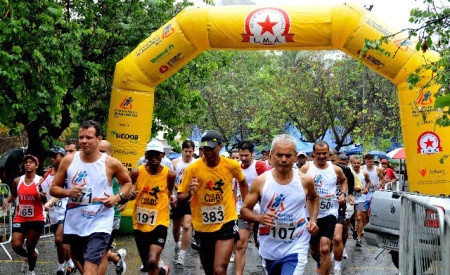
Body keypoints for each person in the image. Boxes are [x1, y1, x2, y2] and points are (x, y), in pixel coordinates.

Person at [50, 120, 132, 275]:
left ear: (99, 139)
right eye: (81, 137)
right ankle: (115, 258)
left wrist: (117, 197)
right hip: (75, 223)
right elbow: (54, 188)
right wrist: (69, 192)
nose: (83, 141)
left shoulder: (110, 163)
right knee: (79, 259)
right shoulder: (69, 160)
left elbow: (127, 182)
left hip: (100, 222)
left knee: (90, 269)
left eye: (88, 137)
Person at [241, 134, 319, 274]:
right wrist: (260, 218)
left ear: (295, 156)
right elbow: (244, 210)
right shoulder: (261, 181)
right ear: (271, 155)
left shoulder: (304, 180)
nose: (283, 159)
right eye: (279, 155)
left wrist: (313, 220)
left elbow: (314, 198)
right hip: (269, 246)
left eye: (288, 156)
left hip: (296, 244)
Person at [177, 130, 249, 275]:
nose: (207, 152)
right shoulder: (193, 169)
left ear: (220, 146)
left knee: (219, 269)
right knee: (210, 270)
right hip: (202, 225)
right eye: (204, 149)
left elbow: (242, 181)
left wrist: (246, 206)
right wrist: (190, 193)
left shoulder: (231, 165)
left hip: (226, 221)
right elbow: (180, 197)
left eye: (211, 148)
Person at [300, 141, 347, 275]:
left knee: (325, 248)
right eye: (318, 153)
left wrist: (343, 194)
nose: (321, 156)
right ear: (313, 153)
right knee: (315, 250)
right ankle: (320, 262)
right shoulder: (305, 169)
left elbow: (343, 180)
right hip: (310, 214)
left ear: (328, 153)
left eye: (324, 153)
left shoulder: (336, 169)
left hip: (329, 213)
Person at [129, 139, 175, 275]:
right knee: (147, 265)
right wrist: (130, 194)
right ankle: (162, 271)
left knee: (152, 261)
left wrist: (173, 199)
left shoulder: (169, 174)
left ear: (163, 155)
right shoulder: (137, 172)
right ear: (146, 156)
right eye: (150, 155)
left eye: (157, 155)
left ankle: (158, 268)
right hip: (140, 223)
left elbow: (169, 192)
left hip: (160, 221)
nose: (154, 158)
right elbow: (129, 188)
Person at [2, 155, 44, 275]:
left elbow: (46, 198)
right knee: (16, 245)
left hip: (36, 218)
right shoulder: (17, 181)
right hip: (20, 217)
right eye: (26, 162)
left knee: (30, 245)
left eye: (31, 162)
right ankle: (30, 255)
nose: (28, 164)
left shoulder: (40, 181)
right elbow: (14, 195)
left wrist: (44, 197)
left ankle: (31, 271)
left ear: (36, 165)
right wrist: (7, 201)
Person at [234, 141, 269, 275]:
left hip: (261, 210)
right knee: (240, 244)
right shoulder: (236, 167)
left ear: (252, 154)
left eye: (246, 155)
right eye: (241, 155)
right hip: (242, 210)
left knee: (262, 243)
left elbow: (269, 185)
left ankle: (267, 266)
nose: (243, 158)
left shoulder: (259, 166)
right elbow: (235, 188)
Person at [40, 147, 77, 275]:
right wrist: (42, 196)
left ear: (62, 156)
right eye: (51, 156)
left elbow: (65, 191)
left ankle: (63, 266)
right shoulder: (47, 174)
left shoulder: (68, 172)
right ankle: (67, 265)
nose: (52, 159)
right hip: (53, 212)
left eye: (55, 156)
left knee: (58, 239)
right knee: (61, 243)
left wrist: (50, 201)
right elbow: (45, 195)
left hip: (66, 210)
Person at [97, 140, 127, 275]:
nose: (100, 154)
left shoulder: (116, 166)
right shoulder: (91, 166)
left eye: (103, 151)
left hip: (112, 215)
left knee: (102, 253)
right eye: (98, 151)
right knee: (90, 251)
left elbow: (128, 185)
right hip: (92, 215)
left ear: (111, 153)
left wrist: (122, 199)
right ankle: (116, 257)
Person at [171, 140, 196, 267]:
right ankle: (177, 244)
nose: (188, 154)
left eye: (190, 151)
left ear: (193, 151)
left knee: (186, 226)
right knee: (176, 227)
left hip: (190, 199)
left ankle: (182, 253)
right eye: (186, 151)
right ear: (182, 151)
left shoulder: (196, 164)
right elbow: (170, 181)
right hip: (177, 198)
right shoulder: (175, 163)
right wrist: (174, 192)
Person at [328, 151, 354, 275]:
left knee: (339, 236)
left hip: (340, 205)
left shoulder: (344, 170)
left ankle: (337, 266)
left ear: (336, 159)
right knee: (322, 245)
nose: (330, 163)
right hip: (323, 209)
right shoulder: (316, 170)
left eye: (333, 160)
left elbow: (351, 180)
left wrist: (349, 194)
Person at [350, 157, 371, 247]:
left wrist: (366, 188)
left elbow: (368, 182)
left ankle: (359, 238)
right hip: (350, 198)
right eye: (354, 163)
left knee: (359, 217)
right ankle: (354, 229)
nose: (356, 165)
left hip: (360, 199)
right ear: (351, 163)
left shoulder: (364, 173)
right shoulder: (349, 172)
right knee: (351, 217)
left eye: (358, 163)